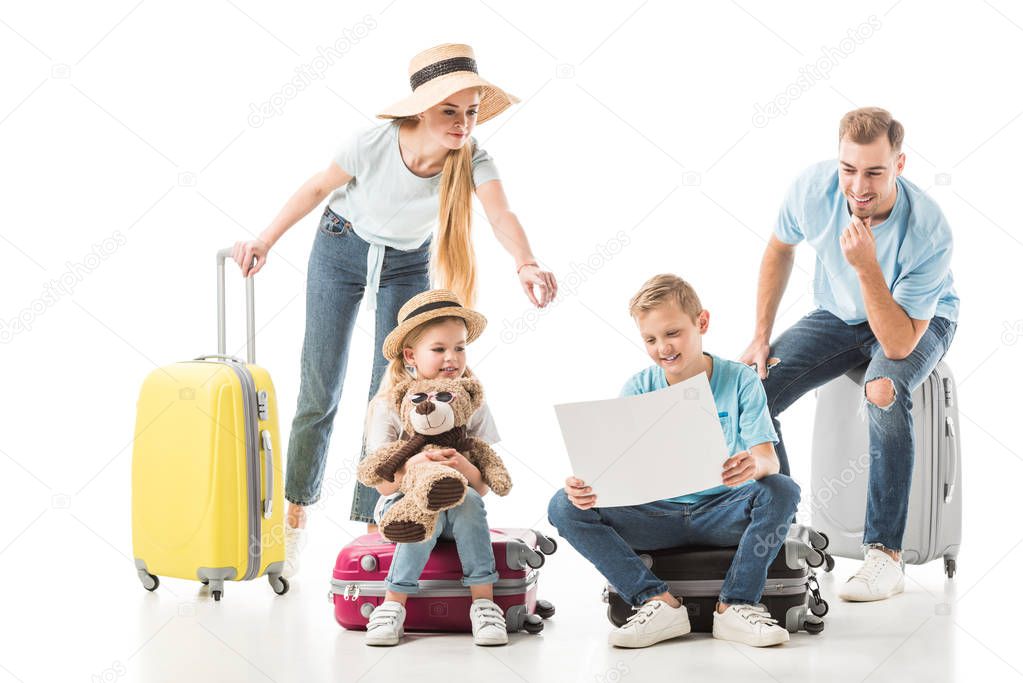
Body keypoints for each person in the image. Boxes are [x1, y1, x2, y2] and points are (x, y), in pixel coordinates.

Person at [228, 44, 558, 577]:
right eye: (450, 110)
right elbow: (316, 187)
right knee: (321, 386)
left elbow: (502, 213)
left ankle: (374, 518)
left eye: (470, 111)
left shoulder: (471, 158)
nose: (462, 123)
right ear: (421, 110)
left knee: (391, 392)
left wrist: (526, 261)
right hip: (340, 246)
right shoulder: (374, 142)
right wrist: (265, 239)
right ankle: (295, 510)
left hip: (406, 263)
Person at [738, 107, 958, 601]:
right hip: (839, 312)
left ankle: (886, 555)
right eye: (849, 169)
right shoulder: (814, 189)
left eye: (875, 172)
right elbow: (779, 248)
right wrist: (760, 334)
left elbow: (899, 342)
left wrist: (865, 267)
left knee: (882, 387)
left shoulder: (930, 231)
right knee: (750, 387)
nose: (859, 186)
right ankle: (783, 536)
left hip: (917, 317)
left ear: (899, 165)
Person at [549, 274, 801, 648]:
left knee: (782, 489)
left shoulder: (741, 380)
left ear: (702, 323)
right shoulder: (638, 387)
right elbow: (619, 470)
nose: (662, 347)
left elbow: (768, 459)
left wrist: (753, 464)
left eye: (672, 333)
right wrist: (589, 488)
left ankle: (735, 605)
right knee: (562, 506)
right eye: (650, 339)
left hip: (722, 512)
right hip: (657, 516)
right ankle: (656, 602)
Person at [359, 289, 508, 647]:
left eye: (459, 347)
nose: (451, 358)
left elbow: (483, 487)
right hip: (402, 507)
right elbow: (382, 486)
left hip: (460, 508)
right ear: (411, 355)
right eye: (439, 349)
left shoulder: (469, 400)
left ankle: (484, 604)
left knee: (469, 500)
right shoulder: (389, 405)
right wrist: (413, 465)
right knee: (427, 507)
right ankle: (393, 604)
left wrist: (462, 466)